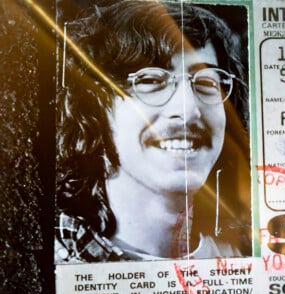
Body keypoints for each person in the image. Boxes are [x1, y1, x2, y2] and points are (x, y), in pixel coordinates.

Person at [55, 0, 251, 262]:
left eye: (206, 82)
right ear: (95, 105)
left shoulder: (253, 251)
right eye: (151, 80)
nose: (189, 109)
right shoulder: (51, 259)